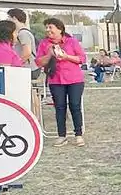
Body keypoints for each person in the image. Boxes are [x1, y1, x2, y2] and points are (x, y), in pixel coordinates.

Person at [36, 18, 87, 147]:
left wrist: (66, 57)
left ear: (59, 29)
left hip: (74, 79)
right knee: (59, 107)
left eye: (50, 27)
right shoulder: (44, 44)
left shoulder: (71, 42)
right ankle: (61, 135)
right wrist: (49, 55)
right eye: (46, 27)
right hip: (56, 79)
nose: (48, 30)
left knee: (75, 106)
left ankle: (78, 134)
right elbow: (38, 62)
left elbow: (82, 58)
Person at [6, 8, 40, 80]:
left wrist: (16, 64)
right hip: (29, 67)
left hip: (28, 68)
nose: (7, 20)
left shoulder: (23, 33)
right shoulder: (24, 32)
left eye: (8, 17)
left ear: (14, 18)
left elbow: (27, 52)